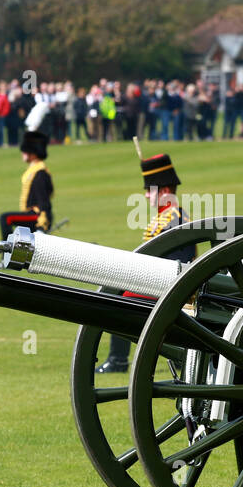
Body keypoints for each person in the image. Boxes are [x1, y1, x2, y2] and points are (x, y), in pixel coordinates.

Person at [96, 152, 195, 373]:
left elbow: (178, 264)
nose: (147, 197)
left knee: (118, 300)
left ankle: (119, 359)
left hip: (167, 288)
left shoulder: (175, 218)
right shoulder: (166, 216)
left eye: (150, 191)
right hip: (157, 282)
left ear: (165, 191)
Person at [0, 131, 53, 237]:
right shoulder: (34, 170)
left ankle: (7, 251)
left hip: (38, 215)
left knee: (5, 218)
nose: (22, 154)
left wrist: (42, 224)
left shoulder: (40, 172)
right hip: (32, 213)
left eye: (25, 151)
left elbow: (44, 201)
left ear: (32, 153)